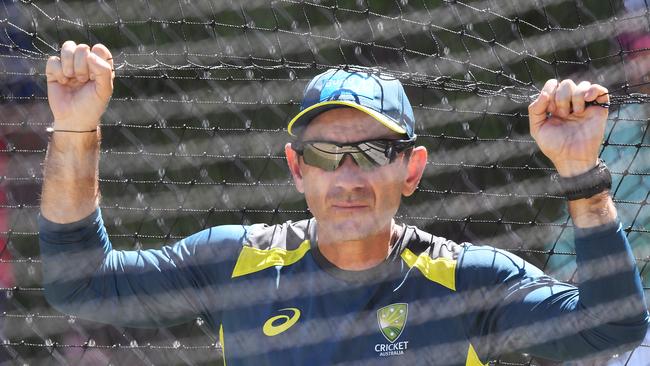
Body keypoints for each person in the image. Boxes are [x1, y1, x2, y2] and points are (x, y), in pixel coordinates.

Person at [39, 41, 648, 366]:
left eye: (375, 152)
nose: (349, 175)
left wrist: (579, 172)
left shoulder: (469, 281)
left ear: (412, 169)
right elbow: (78, 283)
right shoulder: (234, 263)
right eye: (328, 155)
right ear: (297, 169)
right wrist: (75, 129)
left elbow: (616, 326)